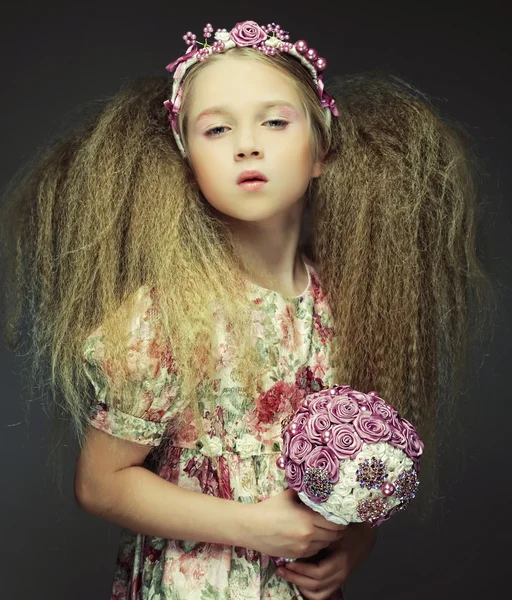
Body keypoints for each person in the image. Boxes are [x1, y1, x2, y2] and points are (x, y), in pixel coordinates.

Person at [0, 19, 495, 600]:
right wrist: (253, 528)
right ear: (189, 164)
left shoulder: (346, 301)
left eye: (275, 121)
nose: (247, 143)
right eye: (216, 129)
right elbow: (101, 484)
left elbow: (352, 469)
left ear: (322, 151)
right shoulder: (168, 313)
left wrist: (352, 547)